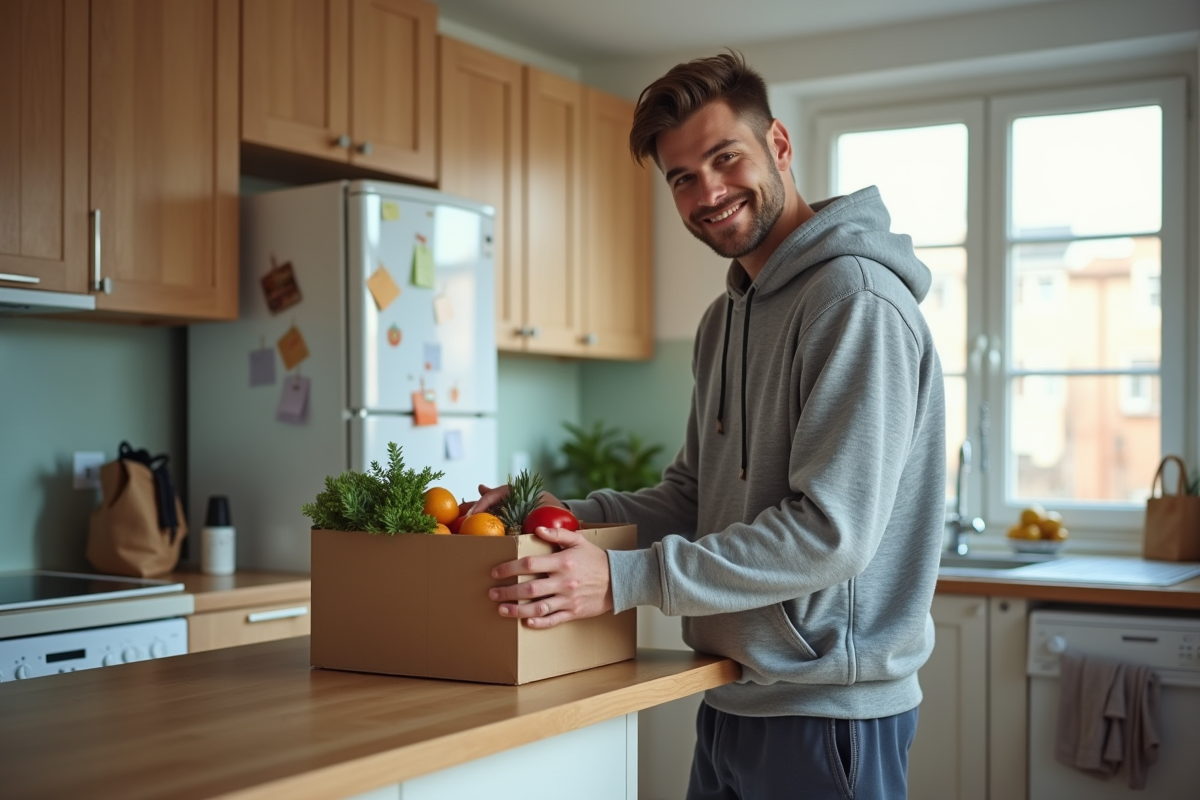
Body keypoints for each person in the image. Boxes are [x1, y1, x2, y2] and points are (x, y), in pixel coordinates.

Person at [475, 51, 946, 799]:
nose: (709, 191)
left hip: (828, 714)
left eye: (725, 158)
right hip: (734, 696)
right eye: (682, 178)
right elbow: (691, 497)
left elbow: (831, 533)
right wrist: (547, 514)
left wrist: (624, 578)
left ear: (779, 147)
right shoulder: (724, 320)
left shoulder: (856, 303)